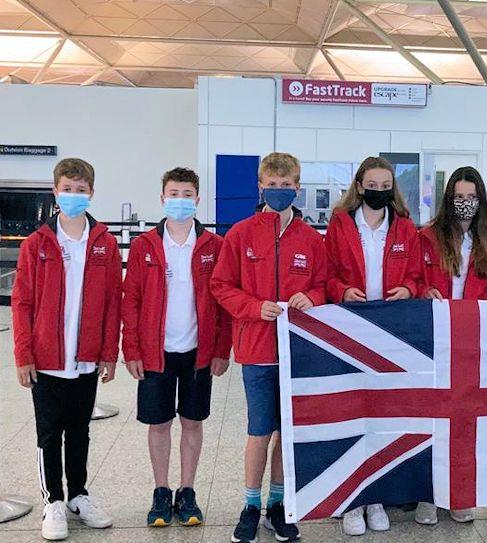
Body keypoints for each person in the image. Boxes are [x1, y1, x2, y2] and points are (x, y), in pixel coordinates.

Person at [211, 153, 326, 543]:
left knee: (287, 434)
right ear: (260, 187)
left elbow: (324, 286)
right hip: (257, 351)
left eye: (286, 184)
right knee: (260, 430)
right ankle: (250, 505)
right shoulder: (241, 234)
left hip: (297, 353)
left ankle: (278, 505)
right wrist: (254, 308)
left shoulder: (311, 240)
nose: (279, 191)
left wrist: (310, 296)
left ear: (298, 185)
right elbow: (221, 286)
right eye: (272, 185)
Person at [12, 158, 121, 541]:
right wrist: (23, 356)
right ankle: (53, 501)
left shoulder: (105, 243)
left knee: (80, 432)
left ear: (91, 192)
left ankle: (78, 495)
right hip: (45, 358)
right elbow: (22, 303)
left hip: (86, 358)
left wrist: (110, 353)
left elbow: (113, 302)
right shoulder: (37, 244)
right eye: (67, 188)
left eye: (81, 189)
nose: (74, 195)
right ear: (55, 192)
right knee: (48, 434)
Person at [122, 167, 232, 528]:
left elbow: (222, 301)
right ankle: (160, 491)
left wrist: (221, 349)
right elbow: (131, 300)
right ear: (162, 198)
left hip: (198, 352)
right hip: (156, 352)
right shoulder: (144, 246)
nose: (180, 200)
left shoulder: (214, 247)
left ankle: (187, 490)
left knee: (192, 421)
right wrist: (133, 350)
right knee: (158, 423)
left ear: (197, 200)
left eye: (187, 194)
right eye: (174, 193)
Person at [324, 156, 422, 536]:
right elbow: (327, 272)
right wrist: (340, 290)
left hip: (391, 331)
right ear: (359, 185)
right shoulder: (340, 224)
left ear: (391, 188)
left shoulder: (406, 228)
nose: (378, 191)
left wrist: (409, 288)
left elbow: (416, 274)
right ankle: (352, 499)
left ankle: (377, 494)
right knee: (353, 413)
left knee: (384, 417)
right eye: (372, 184)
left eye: (386, 185)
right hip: (351, 326)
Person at [415, 166, 487, 525]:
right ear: (449, 198)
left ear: (480, 200)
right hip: (435, 337)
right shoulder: (428, 237)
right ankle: (428, 494)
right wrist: (423, 290)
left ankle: (459, 493)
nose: (465, 204)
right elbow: (414, 278)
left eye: (471, 197)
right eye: (459, 197)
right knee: (431, 416)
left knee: (465, 419)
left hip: (472, 342)